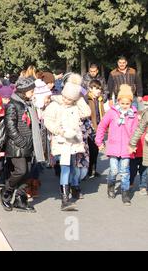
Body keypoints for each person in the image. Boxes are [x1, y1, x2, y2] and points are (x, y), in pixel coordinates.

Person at [44, 74, 91, 211]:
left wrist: (79, 97)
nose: (66, 100)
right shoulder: (54, 105)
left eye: (70, 99)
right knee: (65, 169)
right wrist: (60, 131)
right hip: (61, 141)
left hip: (74, 142)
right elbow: (48, 121)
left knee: (73, 167)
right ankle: (64, 199)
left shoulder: (76, 105)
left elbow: (87, 112)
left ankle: (73, 187)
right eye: (64, 97)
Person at [0, 77, 43, 213]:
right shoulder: (13, 105)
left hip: (29, 144)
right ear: (25, 91)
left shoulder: (27, 104)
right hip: (17, 145)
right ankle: (6, 192)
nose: (33, 92)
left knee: (27, 173)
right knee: (21, 171)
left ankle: (20, 199)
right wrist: (21, 141)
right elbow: (10, 126)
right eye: (32, 90)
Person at [96, 84, 139, 206]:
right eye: (122, 103)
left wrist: (133, 145)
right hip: (114, 147)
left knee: (125, 171)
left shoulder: (133, 115)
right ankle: (111, 186)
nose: (125, 106)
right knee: (114, 170)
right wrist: (99, 142)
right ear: (118, 101)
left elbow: (136, 131)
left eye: (127, 103)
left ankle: (125, 193)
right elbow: (102, 126)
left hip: (127, 148)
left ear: (131, 103)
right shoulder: (112, 113)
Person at [25, 79, 52, 199]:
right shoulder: (31, 108)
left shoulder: (44, 109)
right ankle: (30, 185)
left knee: (37, 161)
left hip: (41, 138)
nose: (48, 100)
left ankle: (34, 182)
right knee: (33, 162)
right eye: (47, 98)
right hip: (32, 140)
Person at [128, 96, 148, 196]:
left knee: (144, 171)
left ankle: (143, 186)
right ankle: (130, 183)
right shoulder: (133, 121)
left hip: (145, 151)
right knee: (132, 170)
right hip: (134, 152)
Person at [86, 80, 105, 178]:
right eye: (96, 89)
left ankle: (93, 169)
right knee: (90, 149)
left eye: (100, 89)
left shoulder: (100, 99)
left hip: (99, 126)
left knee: (96, 150)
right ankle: (88, 170)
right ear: (90, 88)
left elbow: (102, 113)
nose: (98, 91)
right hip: (90, 127)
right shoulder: (87, 99)